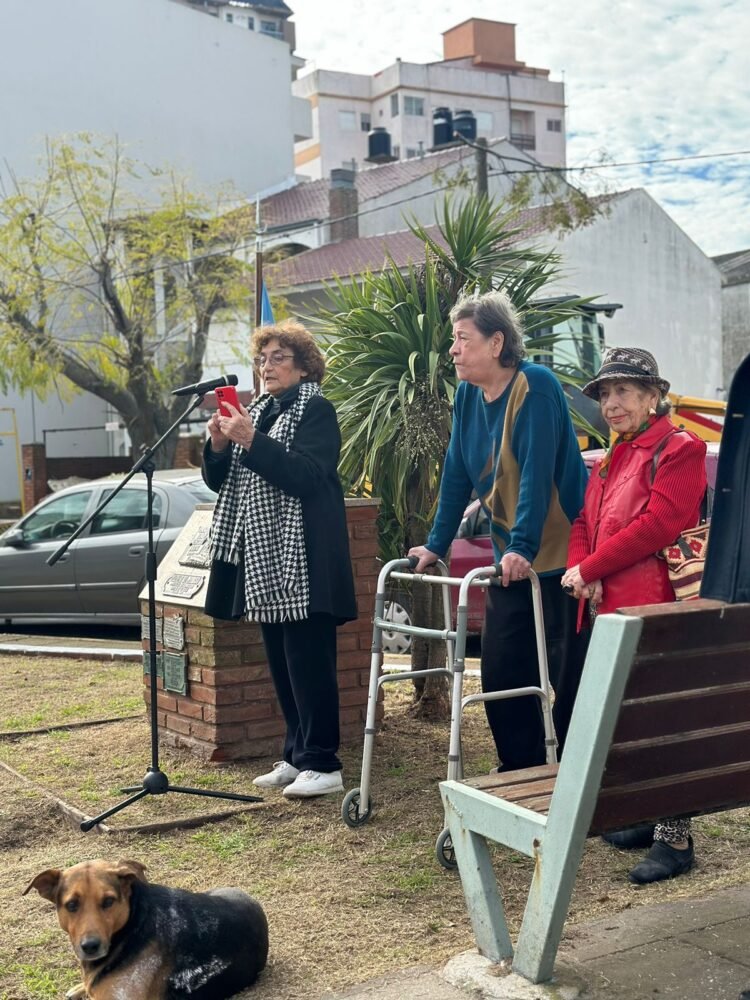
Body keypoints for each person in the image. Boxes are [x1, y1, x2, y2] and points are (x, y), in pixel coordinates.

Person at [409, 290, 588, 771]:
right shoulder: (468, 395)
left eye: (463, 339)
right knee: (502, 670)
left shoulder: (537, 385)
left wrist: (524, 547)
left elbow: (536, 470)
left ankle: (574, 775)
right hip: (513, 558)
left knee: (569, 675)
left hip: (564, 555)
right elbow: (456, 472)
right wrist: (437, 541)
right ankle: (522, 767)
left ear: (496, 342)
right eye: (453, 340)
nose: (453, 350)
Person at [561, 346, 707, 884]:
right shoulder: (613, 454)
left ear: (653, 397)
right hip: (611, 608)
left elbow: (660, 523)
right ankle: (649, 818)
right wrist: (585, 569)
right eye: (605, 393)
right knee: (629, 719)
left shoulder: (680, 447)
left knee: (664, 719)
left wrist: (592, 566)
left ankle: (678, 839)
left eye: (624, 391)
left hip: (657, 607)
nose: (612, 402)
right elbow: (584, 521)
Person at [202, 320, 357, 798]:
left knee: (309, 662)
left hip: (303, 557)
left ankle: (324, 763)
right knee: (283, 662)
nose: (266, 367)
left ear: (305, 365)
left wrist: (251, 439)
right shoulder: (263, 410)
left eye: (277, 358)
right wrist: (221, 444)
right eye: (261, 359)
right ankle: (295, 754)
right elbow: (220, 482)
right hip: (266, 560)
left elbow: (307, 476)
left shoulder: (318, 410)